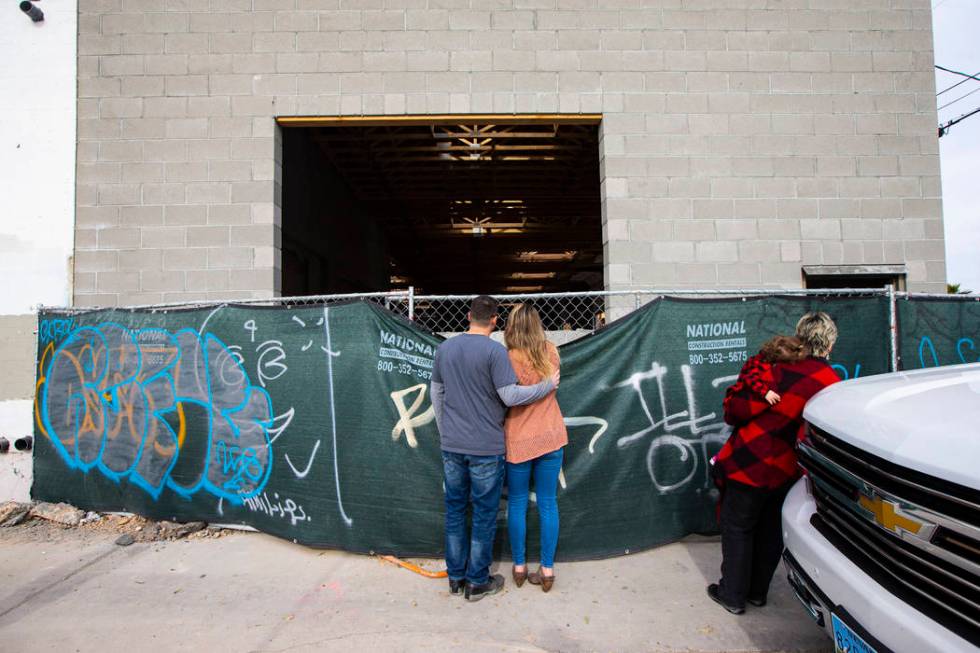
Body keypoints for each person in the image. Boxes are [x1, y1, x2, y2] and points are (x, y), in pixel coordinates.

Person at [708, 312, 842, 615]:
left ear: (799, 336)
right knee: (770, 530)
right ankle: (756, 592)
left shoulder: (775, 368)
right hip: (787, 470)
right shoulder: (832, 384)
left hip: (749, 461)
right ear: (829, 345)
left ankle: (732, 594)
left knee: (738, 526)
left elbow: (735, 411)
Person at [430, 296, 560, 602]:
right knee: (486, 514)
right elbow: (509, 395)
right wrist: (546, 386)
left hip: (455, 444)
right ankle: (477, 580)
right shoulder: (495, 352)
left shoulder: (445, 348)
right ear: (494, 320)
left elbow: (436, 392)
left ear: (467, 315)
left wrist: (444, 429)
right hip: (488, 445)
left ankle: (456, 578)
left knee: (454, 511)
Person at [502, 304, 568, 593]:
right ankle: (548, 569)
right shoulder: (551, 351)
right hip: (552, 436)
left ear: (512, 326)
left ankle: (518, 566)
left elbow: (507, 398)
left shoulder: (506, 359)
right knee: (548, 503)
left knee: (516, 502)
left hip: (518, 439)